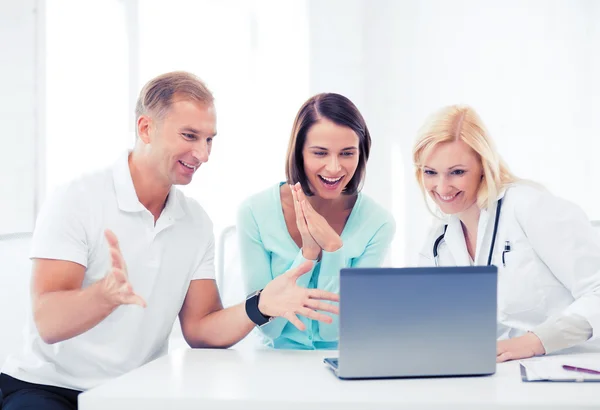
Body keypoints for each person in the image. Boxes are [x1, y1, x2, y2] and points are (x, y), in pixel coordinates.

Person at [0, 71, 339, 409]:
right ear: (146, 128)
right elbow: (48, 323)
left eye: (209, 139)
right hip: (46, 387)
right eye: (190, 136)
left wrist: (260, 305)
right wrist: (103, 296)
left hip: (133, 391)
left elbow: (201, 328)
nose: (203, 154)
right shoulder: (76, 200)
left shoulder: (194, 222)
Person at [412, 104, 600, 362]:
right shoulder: (439, 239)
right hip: (498, 373)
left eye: (457, 172)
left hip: (571, 365)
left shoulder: (529, 207)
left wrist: (536, 341)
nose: (442, 187)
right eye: (430, 172)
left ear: (483, 165)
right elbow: (430, 316)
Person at [237, 93, 396, 350]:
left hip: (342, 361)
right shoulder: (254, 212)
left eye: (347, 153)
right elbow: (268, 326)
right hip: (272, 363)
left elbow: (334, 331)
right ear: (299, 152)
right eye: (320, 153)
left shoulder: (378, 223)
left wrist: (333, 248)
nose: (334, 168)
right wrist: (309, 255)